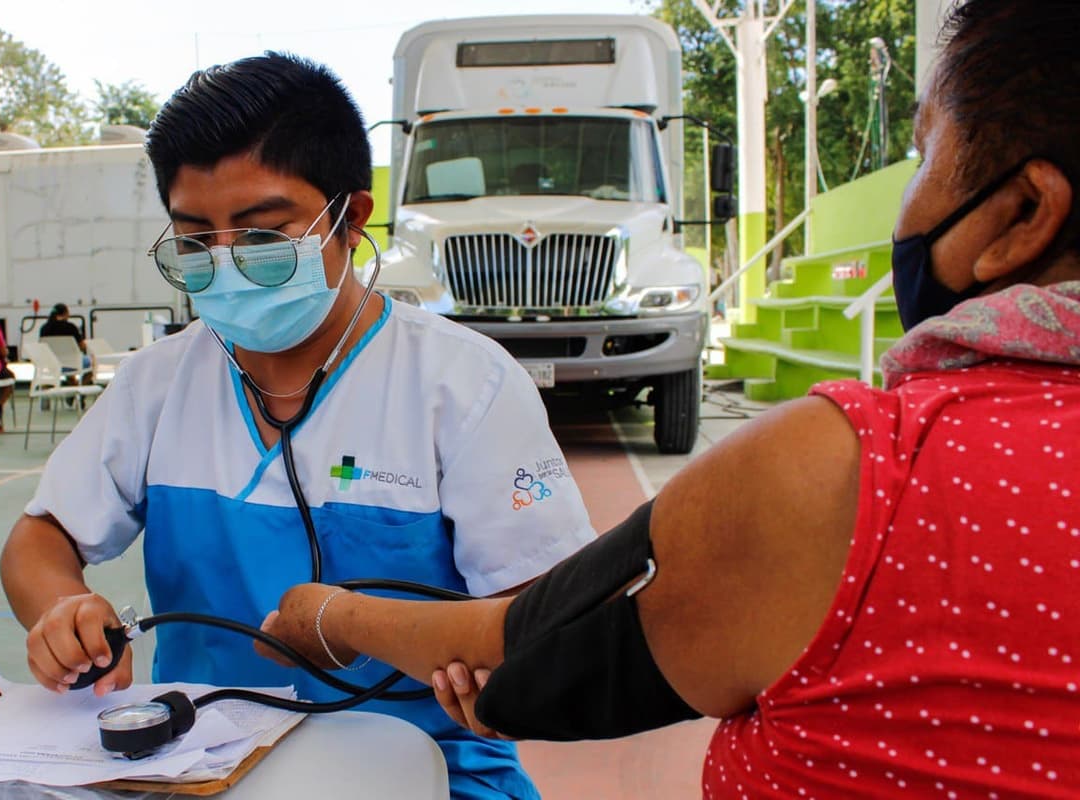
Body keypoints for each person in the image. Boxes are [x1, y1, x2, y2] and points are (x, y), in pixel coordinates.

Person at [260, 1, 1080, 795]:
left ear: (1023, 214)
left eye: (924, 153)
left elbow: (525, 658)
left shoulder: (854, 468)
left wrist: (325, 615)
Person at [0, 52, 595, 799]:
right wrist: (62, 610)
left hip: (429, 768)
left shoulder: (463, 386)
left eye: (263, 237)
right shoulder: (158, 382)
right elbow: (40, 539)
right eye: (194, 241)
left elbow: (548, 624)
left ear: (351, 219)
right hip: (204, 768)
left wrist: (350, 624)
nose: (226, 266)